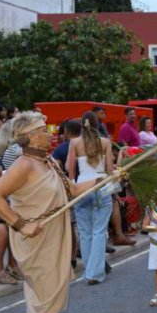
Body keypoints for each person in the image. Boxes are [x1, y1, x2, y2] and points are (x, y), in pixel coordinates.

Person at [0, 112, 102, 313]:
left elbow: (71, 189)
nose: (50, 134)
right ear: (30, 137)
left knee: (39, 298)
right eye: (44, 130)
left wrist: (101, 180)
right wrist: (20, 224)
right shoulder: (23, 164)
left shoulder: (47, 160)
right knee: (51, 296)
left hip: (52, 234)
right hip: (35, 239)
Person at [67, 112, 114, 285]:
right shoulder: (106, 142)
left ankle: (89, 271)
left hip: (81, 189)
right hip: (101, 186)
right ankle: (95, 273)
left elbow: (69, 168)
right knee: (99, 231)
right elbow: (109, 169)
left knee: (85, 232)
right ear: (97, 124)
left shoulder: (74, 143)